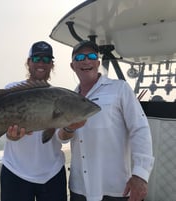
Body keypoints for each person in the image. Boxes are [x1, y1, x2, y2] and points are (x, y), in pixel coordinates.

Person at [58, 40, 155, 201]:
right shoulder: (67, 99)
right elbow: (60, 136)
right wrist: (69, 129)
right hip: (79, 188)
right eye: (80, 57)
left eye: (91, 56)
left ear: (97, 62)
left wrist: (140, 174)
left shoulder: (120, 88)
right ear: (72, 65)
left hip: (116, 189)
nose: (86, 60)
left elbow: (140, 128)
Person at [0, 41, 67, 201]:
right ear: (28, 62)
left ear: (52, 64)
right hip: (15, 172)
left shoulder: (59, 98)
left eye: (46, 59)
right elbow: (2, 126)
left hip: (52, 173)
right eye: (37, 59)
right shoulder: (11, 90)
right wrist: (11, 136)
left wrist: (70, 129)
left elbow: (60, 136)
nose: (41, 63)